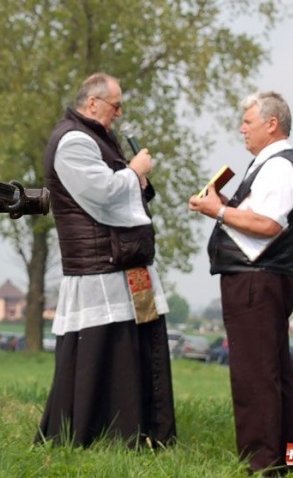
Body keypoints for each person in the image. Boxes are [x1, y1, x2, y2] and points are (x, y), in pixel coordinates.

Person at [35, 72, 176, 449]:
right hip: (103, 267)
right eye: (115, 106)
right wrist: (135, 172)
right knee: (110, 350)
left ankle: (150, 430)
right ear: (93, 103)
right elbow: (103, 193)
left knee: (146, 340)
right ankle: (108, 434)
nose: (119, 113)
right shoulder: (73, 141)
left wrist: (136, 180)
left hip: (133, 266)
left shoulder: (98, 138)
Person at [188, 91, 293, 475]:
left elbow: (269, 225)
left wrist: (220, 210)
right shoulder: (273, 164)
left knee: (254, 377)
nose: (242, 128)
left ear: (272, 124)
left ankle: (262, 464)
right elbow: (260, 217)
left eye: (248, 121)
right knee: (271, 374)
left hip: (256, 282)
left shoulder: (278, 167)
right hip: (264, 280)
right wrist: (227, 206)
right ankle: (282, 457)